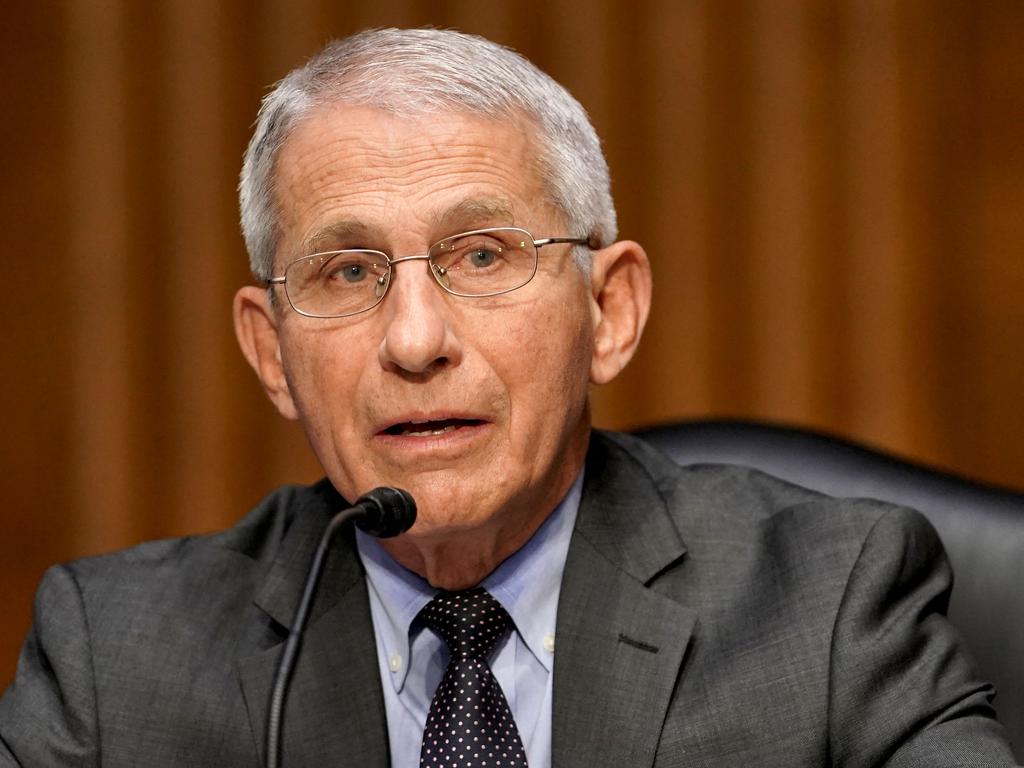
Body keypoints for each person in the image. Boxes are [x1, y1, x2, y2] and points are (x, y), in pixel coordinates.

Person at [0, 27, 1017, 768]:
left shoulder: (828, 608)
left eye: (481, 255)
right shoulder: (114, 662)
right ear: (271, 352)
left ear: (608, 310)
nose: (414, 340)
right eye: (348, 273)